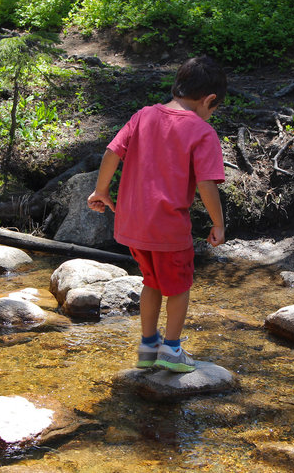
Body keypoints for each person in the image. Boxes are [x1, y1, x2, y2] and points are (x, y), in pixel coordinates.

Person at [87, 56, 227, 373]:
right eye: (213, 109)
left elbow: (112, 151)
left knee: (151, 282)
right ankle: (172, 351)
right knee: (178, 287)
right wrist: (218, 223)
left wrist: (102, 191)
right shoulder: (202, 132)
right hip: (167, 227)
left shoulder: (144, 115)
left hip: (132, 222)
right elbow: (206, 183)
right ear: (209, 100)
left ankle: (148, 345)